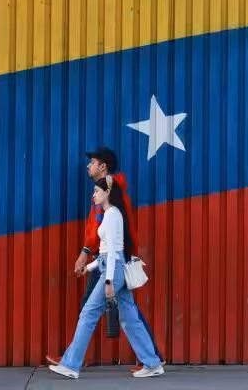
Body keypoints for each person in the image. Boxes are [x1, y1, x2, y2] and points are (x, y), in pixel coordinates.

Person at [46, 147, 163, 370]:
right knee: (128, 313)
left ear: (103, 166)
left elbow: (103, 233)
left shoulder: (108, 198)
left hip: (111, 261)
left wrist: (91, 259)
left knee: (90, 311)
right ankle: (152, 360)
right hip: (109, 260)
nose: (88, 166)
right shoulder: (109, 193)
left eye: (92, 162)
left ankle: (72, 361)